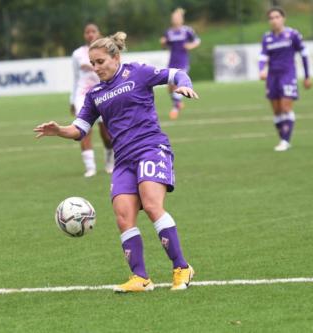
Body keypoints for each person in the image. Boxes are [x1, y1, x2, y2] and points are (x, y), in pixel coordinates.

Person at [35, 32, 199, 292]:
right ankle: (140, 278)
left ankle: (181, 267)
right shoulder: (94, 94)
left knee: (152, 204)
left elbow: (175, 73)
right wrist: (59, 130)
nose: (95, 68)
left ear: (116, 57)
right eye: (92, 63)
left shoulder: (138, 72)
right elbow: (80, 129)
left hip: (151, 148)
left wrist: (184, 83)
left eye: (100, 62)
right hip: (123, 160)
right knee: (123, 217)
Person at [259, 7, 312, 152]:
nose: (274, 20)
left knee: (285, 107)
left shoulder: (292, 34)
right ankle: (283, 138)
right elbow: (263, 56)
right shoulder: (267, 38)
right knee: (276, 111)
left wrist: (307, 76)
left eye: (277, 17)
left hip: (288, 75)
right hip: (272, 77)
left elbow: (304, 53)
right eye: (271, 18)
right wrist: (261, 69)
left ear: (283, 18)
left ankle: (285, 141)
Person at [70, 23, 114, 177]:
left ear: (98, 33)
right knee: (83, 130)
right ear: (84, 35)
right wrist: (71, 99)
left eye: (93, 31)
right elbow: (75, 77)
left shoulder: (106, 51)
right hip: (82, 95)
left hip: (103, 94)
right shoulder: (77, 54)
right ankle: (90, 168)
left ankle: (109, 162)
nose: (90, 34)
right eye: (87, 32)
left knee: (107, 134)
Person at [160, 8, 200, 120]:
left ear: (181, 19)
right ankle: (177, 101)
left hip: (183, 61)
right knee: (169, 87)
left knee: (178, 84)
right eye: (173, 18)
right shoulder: (169, 32)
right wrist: (163, 43)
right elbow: (164, 46)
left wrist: (190, 46)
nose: (175, 19)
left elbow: (197, 40)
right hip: (172, 61)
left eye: (177, 17)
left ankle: (176, 107)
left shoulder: (187, 30)